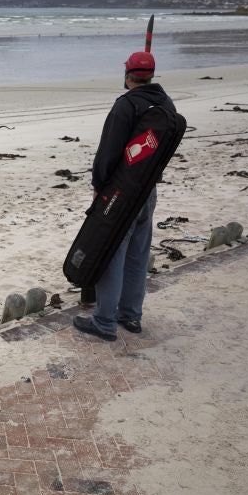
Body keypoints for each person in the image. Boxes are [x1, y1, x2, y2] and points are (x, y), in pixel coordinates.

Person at [73, 51, 177, 341]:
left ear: (127, 75)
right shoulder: (166, 103)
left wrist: (98, 185)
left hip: (122, 193)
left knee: (111, 254)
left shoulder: (126, 106)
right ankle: (130, 315)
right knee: (138, 254)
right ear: (151, 75)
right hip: (148, 189)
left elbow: (108, 152)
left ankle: (104, 322)